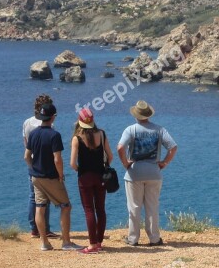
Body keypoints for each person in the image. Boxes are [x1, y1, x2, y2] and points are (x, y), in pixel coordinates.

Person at [117, 100, 178, 247]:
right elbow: (173, 147)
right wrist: (164, 162)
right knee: (152, 207)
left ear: (136, 115)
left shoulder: (130, 130)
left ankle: (133, 239)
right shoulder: (159, 130)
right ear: (148, 114)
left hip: (134, 173)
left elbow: (120, 148)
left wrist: (125, 164)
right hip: (154, 173)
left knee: (134, 207)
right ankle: (154, 238)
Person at [24, 102, 83, 251]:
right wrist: (61, 175)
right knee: (66, 206)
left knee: (40, 207)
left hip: (35, 177)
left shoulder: (33, 134)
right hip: (50, 177)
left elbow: (26, 156)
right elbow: (57, 159)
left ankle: (44, 243)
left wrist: (33, 169)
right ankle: (66, 243)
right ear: (53, 117)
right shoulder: (54, 135)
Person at [70, 108, 113, 254]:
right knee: (100, 209)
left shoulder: (77, 138)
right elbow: (110, 156)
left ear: (80, 121)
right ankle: (99, 242)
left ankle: (92, 245)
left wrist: (78, 169)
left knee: (89, 210)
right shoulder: (101, 134)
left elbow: (72, 163)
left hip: (84, 178)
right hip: (101, 176)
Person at [22, 94, 57, 239]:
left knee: (33, 197)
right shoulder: (49, 125)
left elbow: (26, 145)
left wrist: (30, 164)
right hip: (46, 164)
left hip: (32, 163)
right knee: (45, 198)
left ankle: (34, 228)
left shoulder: (27, 123)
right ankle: (46, 228)